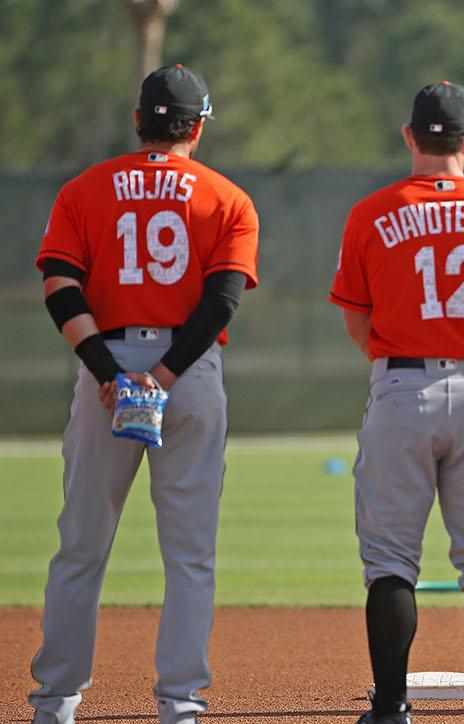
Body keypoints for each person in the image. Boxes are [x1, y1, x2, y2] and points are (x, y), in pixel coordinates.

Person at [30, 64, 259, 724]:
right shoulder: (227, 197)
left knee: (81, 546)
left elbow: (60, 288)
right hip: (186, 376)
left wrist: (110, 373)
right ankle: (180, 705)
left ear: (140, 121)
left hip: (107, 370)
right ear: (200, 125)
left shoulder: (85, 190)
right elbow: (220, 304)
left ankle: (55, 704)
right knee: (190, 555)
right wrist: (157, 379)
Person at [330, 81, 464, 724]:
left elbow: (357, 319)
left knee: (391, 559)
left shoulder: (371, 213)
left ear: (410, 136)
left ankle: (391, 709)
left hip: (400, 385)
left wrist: (398, 364)